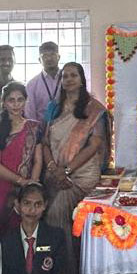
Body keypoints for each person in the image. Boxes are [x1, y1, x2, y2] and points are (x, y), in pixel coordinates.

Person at [41, 62, 108, 234]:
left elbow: (94, 145)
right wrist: (54, 169)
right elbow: (45, 142)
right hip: (54, 175)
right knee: (51, 221)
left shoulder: (94, 109)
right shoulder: (53, 108)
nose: (69, 79)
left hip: (82, 176)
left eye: (73, 75)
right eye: (65, 76)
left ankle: (71, 260)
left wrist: (67, 170)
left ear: (81, 80)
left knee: (57, 216)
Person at [0, 82, 44, 234]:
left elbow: (37, 160)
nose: (16, 105)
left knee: (25, 230)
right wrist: (21, 181)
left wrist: (32, 185)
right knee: (0, 229)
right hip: (1, 187)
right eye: (11, 100)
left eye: (20, 100)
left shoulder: (34, 128)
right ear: (4, 103)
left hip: (27, 190)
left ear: (25, 101)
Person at [24, 41, 62, 121]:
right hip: (41, 130)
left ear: (59, 57)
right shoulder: (32, 85)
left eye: (52, 54)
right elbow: (30, 114)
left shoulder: (68, 80)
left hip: (66, 128)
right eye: (45, 56)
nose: (49, 58)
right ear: (39, 59)